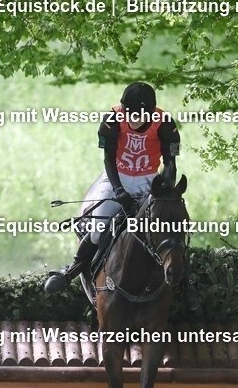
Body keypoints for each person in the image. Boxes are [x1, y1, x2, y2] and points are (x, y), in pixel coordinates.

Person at [44, 82, 183, 295]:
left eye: (138, 116)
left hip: (149, 179)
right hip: (118, 176)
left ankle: (184, 280)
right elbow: (108, 159)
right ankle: (70, 271)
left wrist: (164, 189)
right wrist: (118, 190)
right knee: (98, 233)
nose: (132, 120)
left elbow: (170, 163)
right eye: (129, 115)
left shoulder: (164, 123)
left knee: (167, 225)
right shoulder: (112, 121)